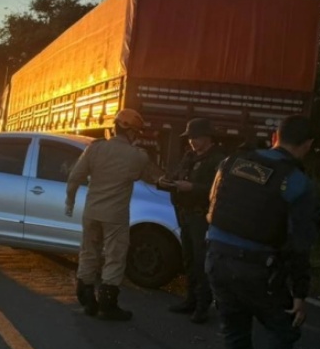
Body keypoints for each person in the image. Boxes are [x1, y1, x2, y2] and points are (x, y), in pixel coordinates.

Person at [205, 115, 318, 349]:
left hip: (215, 257)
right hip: (255, 268)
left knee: (235, 330)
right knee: (286, 329)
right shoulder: (297, 182)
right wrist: (300, 294)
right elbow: (300, 244)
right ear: (307, 145)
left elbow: (212, 203)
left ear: (274, 136)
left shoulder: (230, 162)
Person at [66, 108, 164, 321]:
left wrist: (70, 201)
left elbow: (74, 177)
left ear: (115, 127)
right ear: (132, 133)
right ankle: (107, 305)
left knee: (88, 251)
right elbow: (151, 177)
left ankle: (86, 297)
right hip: (115, 216)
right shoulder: (136, 156)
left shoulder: (95, 148)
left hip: (91, 212)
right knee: (114, 257)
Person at [161, 118, 226, 322]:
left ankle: (202, 306)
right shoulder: (189, 157)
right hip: (185, 213)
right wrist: (167, 181)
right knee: (188, 258)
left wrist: (193, 188)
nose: (191, 141)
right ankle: (190, 300)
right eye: (190, 138)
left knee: (201, 261)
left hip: (202, 216)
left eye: (195, 137)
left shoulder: (218, 160)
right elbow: (177, 174)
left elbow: (220, 189)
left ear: (208, 137)